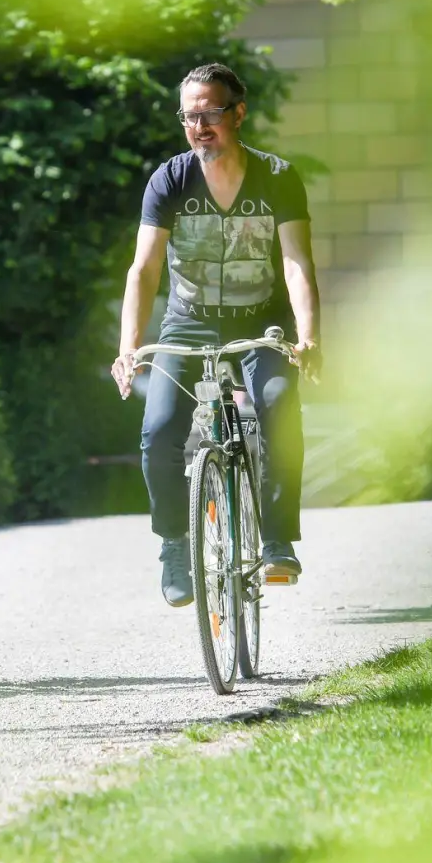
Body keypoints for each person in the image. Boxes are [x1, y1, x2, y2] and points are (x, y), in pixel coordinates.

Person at [111, 63, 323, 608]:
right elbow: (144, 270)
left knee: (277, 404)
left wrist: (308, 337)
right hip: (188, 319)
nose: (199, 125)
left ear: (238, 113)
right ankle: (174, 546)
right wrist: (129, 348)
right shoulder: (171, 180)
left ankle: (277, 540)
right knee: (158, 432)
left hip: (261, 319)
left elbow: (298, 262)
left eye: (210, 113)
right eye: (189, 116)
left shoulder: (277, 177)